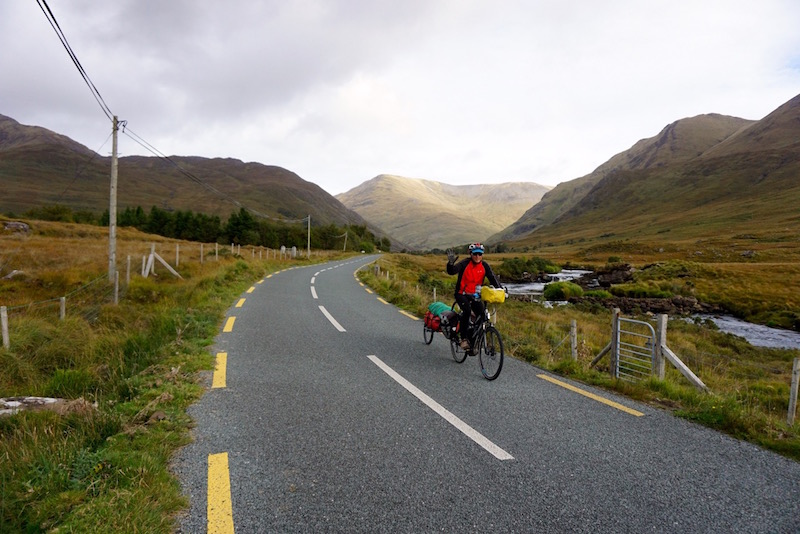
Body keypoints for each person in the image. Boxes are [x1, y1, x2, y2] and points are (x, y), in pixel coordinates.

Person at [446, 243, 501, 351]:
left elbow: (492, 278)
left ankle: (475, 338)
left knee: (482, 314)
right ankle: (463, 339)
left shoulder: (484, 265)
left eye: (480, 254)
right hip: (461, 294)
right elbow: (452, 271)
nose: (477, 256)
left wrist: (500, 289)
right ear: (470, 254)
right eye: (475, 254)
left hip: (475, 295)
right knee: (466, 311)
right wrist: (450, 264)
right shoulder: (465, 263)